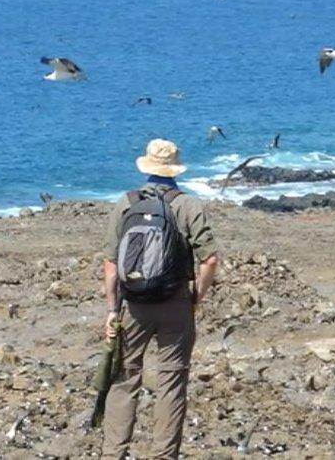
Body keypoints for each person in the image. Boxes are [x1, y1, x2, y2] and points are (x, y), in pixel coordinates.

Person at [101, 138, 219, 459]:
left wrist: (112, 309)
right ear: (175, 170)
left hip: (134, 305)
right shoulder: (189, 206)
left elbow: (111, 264)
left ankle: (114, 453)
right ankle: (163, 455)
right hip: (176, 303)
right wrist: (196, 297)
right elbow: (210, 260)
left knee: (124, 379)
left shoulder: (126, 203)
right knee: (171, 382)